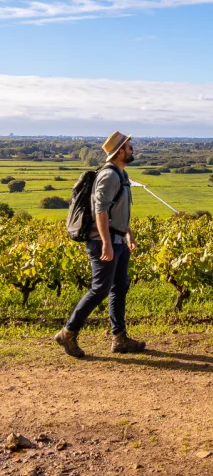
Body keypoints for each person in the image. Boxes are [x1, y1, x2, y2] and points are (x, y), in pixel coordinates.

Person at [54, 131, 146, 358]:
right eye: (129, 146)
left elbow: (118, 210)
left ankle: (119, 338)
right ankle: (67, 332)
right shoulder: (109, 176)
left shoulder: (120, 174)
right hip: (103, 242)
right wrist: (106, 243)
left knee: (119, 286)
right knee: (100, 289)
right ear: (120, 151)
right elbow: (100, 210)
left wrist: (128, 233)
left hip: (117, 240)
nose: (132, 149)